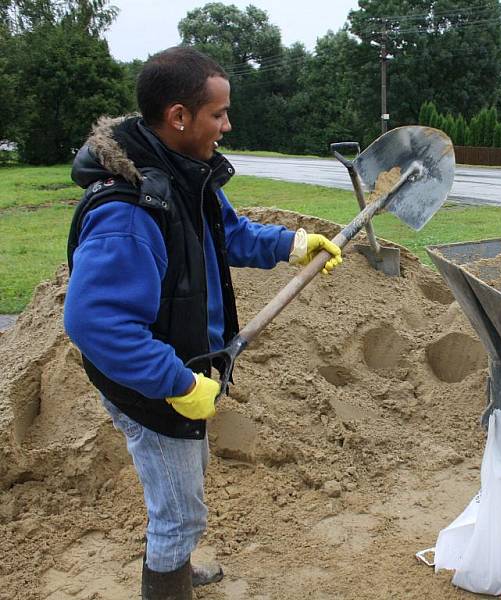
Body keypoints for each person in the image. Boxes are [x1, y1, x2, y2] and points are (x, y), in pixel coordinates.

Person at [63, 46, 342, 599]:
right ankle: (168, 581)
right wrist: (179, 384)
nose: (227, 124)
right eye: (218, 114)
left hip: (183, 371)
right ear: (179, 117)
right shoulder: (131, 212)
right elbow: (95, 324)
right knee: (179, 512)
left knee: (180, 485)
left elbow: (229, 233)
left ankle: (173, 564)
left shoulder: (185, 176)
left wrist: (293, 243)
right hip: (150, 388)